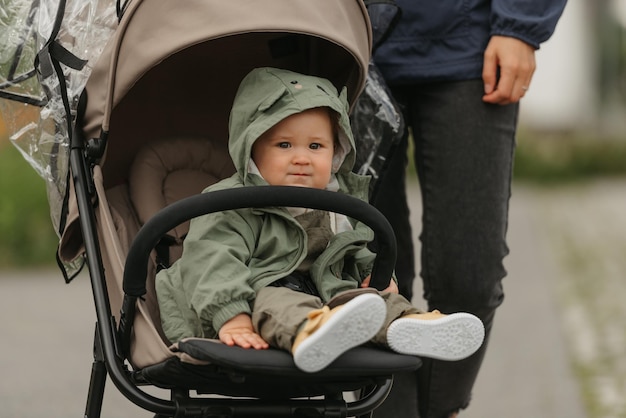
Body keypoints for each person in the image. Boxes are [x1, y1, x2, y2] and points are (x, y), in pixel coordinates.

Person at [155, 67, 485, 373]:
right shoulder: (230, 204)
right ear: (252, 146)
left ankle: (406, 324)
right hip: (255, 296)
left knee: (373, 300)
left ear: (336, 150)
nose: (302, 158)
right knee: (281, 301)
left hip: (328, 294)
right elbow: (212, 264)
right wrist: (232, 316)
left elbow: (355, 248)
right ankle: (312, 331)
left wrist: (375, 274)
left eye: (316, 146)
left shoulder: (338, 203)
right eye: (284, 145)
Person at [367, 1, 568, 417]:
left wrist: (520, 25)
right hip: (344, 43)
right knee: (368, 275)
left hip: (468, 48)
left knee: (470, 275)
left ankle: (441, 410)